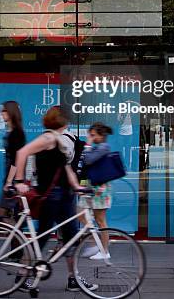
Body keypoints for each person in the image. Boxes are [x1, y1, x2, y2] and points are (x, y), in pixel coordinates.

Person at [14, 106, 98, 293]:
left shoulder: (59, 139)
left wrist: (77, 187)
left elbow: (65, 168)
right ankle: (23, 274)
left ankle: (73, 278)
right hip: (50, 196)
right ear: (61, 121)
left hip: (63, 195)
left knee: (70, 238)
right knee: (43, 237)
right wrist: (19, 180)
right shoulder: (48, 138)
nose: (68, 122)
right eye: (66, 119)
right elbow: (22, 153)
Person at [78, 122, 113, 259]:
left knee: (100, 221)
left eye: (93, 135)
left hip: (100, 189)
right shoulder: (98, 147)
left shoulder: (104, 147)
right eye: (90, 135)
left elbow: (87, 160)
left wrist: (88, 143)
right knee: (80, 213)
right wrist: (82, 185)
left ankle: (104, 252)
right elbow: (86, 169)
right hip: (91, 188)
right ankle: (95, 242)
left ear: (101, 135)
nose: (90, 137)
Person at [0, 101, 26, 220]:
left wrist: (9, 182)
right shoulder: (12, 132)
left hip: (13, 179)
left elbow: (16, 160)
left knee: (1, 212)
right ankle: (16, 236)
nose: (1, 113)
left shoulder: (16, 133)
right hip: (12, 177)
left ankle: (16, 237)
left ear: (11, 112)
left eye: (4, 111)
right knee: (9, 214)